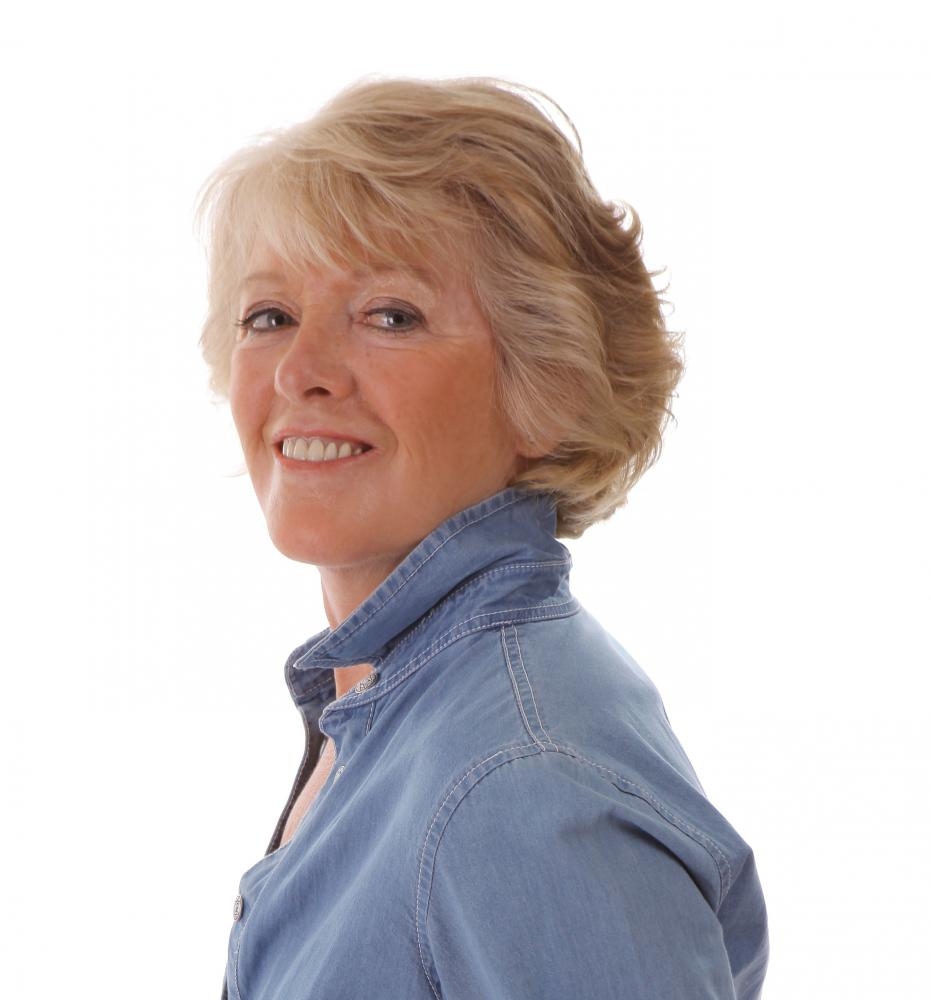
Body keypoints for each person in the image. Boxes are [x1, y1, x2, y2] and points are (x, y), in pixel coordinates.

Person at [198, 76, 768, 1000]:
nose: (300, 370)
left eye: (389, 315)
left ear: (547, 386)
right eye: (270, 316)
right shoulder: (400, 702)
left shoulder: (524, 786)